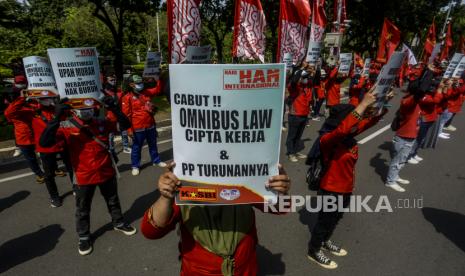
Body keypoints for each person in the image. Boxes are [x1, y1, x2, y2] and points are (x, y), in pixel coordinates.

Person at [140, 163, 291, 275]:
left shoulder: (244, 176)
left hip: (245, 270)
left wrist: (278, 190)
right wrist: (166, 196)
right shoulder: (184, 181)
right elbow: (151, 231)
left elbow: (281, 207)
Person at [40, 97, 137, 256]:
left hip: (106, 171)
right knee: (83, 208)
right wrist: (56, 118)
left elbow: (125, 126)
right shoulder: (66, 126)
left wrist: (116, 109)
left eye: (89, 107)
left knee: (113, 200)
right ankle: (84, 236)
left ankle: (118, 222)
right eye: (81, 108)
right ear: (74, 109)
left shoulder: (102, 122)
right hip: (83, 176)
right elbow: (45, 143)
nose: (86, 111)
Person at [307, 91, 388, 269]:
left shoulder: (348, 136)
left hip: (346, 188)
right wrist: (363, 104)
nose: (356, 125)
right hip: (330, 189)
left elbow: (370, 122)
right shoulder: (328, 139)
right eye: (351, 121)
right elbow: (344, 128)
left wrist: (384, 104)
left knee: (336, 218)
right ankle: (314, 250)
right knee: (324, 221)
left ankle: (326, 241)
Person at [385, 67, 433, 192]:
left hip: (411, 135)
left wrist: (426, 71)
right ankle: (390, 181)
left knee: (402, 160)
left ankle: (395, 176)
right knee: (396, 161)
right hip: (402, 136)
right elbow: (421, 90)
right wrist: (429, 72)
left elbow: (423, 90)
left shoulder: (414, 100)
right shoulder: (407, 101)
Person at [31, 93, 73, 207]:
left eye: (48, 96)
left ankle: (76, 187)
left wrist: (67, 106)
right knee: (49, 174)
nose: (46, 99)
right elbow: (10, 113)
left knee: (71, 167)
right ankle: (54, 196)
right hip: (46, 147)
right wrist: (21, 97)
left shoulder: (57, 107)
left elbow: (68, 119)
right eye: (43, 98)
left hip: (62, 143)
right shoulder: (31, 110)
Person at [122, 75, 167, 176]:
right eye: (138, 83)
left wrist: (158, 78)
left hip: (150, 124)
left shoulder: (146, 93)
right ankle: (135, 166)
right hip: (137, 127)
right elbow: (126, 116)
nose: (140, 85)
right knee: (136, 147)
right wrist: (129, 130)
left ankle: (156, 160)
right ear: (131, 84)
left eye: (141, 82)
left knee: (153, 144)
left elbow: (158, 89)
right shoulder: (127, 97)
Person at [4, 88, 45, 184]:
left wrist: (36, 98)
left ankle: (52, 168)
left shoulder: (26, 106)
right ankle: (39, 174)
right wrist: (22, 98)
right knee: (31, 158)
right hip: (23, 139)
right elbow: (12, 110)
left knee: (46, 154)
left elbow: (38, 107)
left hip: (36, 135)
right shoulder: (10, 110)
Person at [286, 70, 313, 162]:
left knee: (298, 136)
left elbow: (315, 79)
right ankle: (290, 153)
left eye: (306, 77)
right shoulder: (294, 87)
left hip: (304, 115)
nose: (306, 79)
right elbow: (294, 81)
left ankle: (295, 151)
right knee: (292, 136)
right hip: (295, 115)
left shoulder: (307, 87)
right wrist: (301, 69)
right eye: (304, 77)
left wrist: (315, 69)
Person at [104, 74, 131, 154]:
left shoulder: (118, 91)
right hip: (110, 115)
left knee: (124, 131)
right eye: (111, 80)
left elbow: (123, 100)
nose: (114, 81)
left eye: (114, 80)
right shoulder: (104, 92)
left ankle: (125, 147)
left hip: (120, 113)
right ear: (107, 81)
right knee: (111, 134)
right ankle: (111, 150)